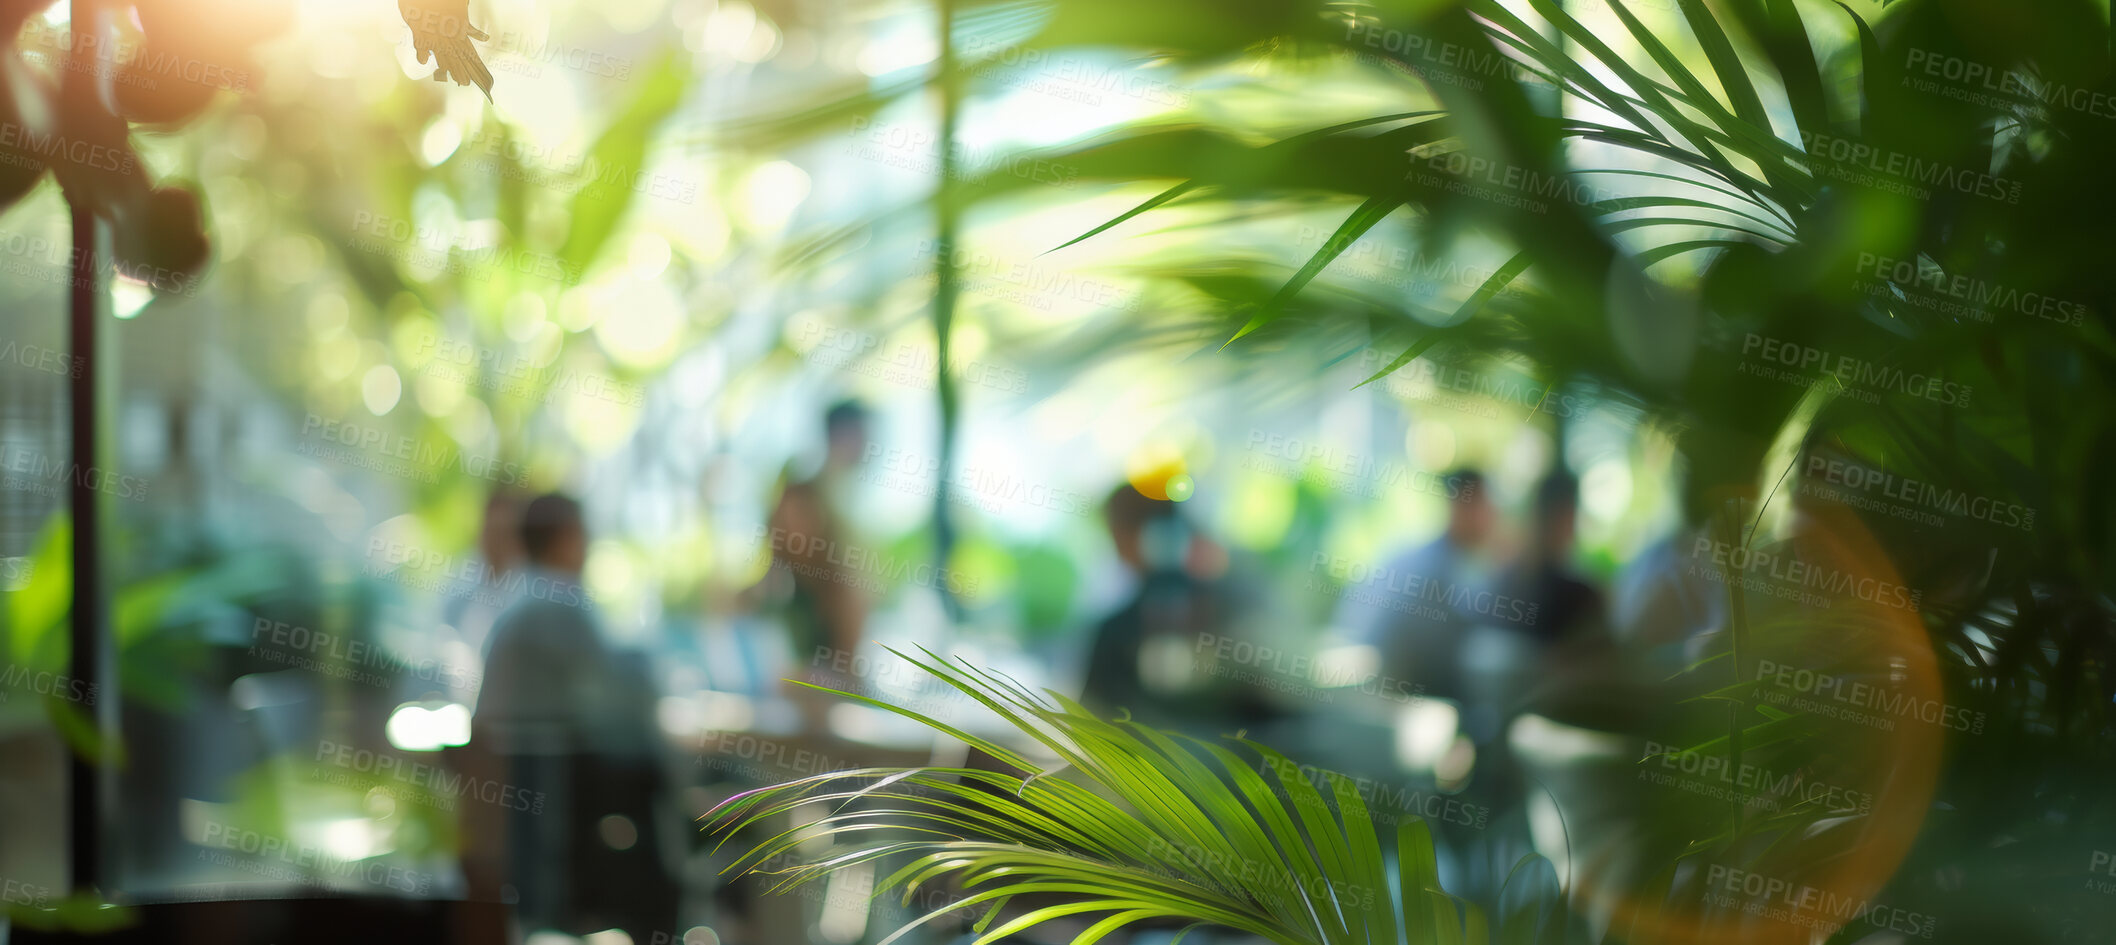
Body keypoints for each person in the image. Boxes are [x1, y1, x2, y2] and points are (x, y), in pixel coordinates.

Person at [463, 493, 675, 941]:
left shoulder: (521, 593)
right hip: (536, 761)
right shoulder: (555, 599)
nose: (589, 545)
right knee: (650, 782)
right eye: (583, 534)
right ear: (563, 539)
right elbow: (616, 679)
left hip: (504, 761)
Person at [1327, 467, 1499, 705]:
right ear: (1462, 506)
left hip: (1367, 688)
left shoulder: (1424, 556)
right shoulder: (1436, 572)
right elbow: (1452, 658)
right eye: (1487, 505)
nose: (1494, 516)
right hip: (1386, 702)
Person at [764, 400, 872, 668]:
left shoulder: (848, 495)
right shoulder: (807, 494)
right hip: (813, 653)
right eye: (863, 435)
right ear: (843, 435)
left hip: (841, 658)